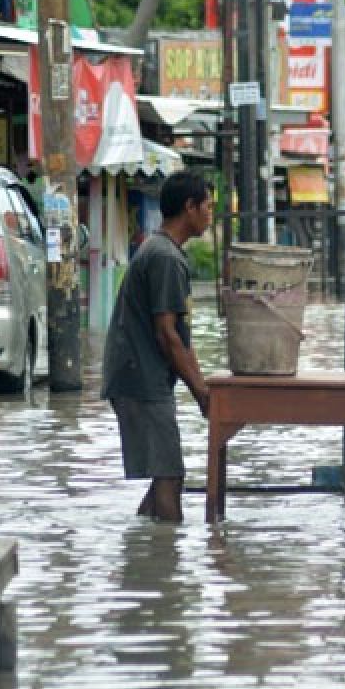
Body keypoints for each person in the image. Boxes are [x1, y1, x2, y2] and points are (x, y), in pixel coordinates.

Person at [101, 171, 213, 523]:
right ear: (189, 207)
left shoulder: (160, 250)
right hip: (140, 380)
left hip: (137, 377)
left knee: (163, 472)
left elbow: (180, 337)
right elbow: (168, 336)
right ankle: (167, 564)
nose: (211, 214)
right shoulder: (165, 258)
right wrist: (202, 393)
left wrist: (202, 386)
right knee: (169, 474)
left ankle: (147, 552)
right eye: (207, 206)